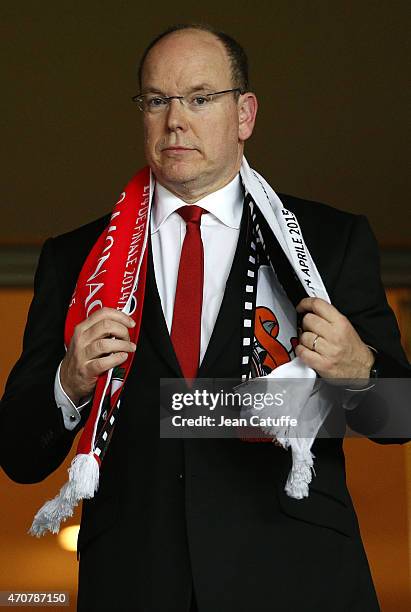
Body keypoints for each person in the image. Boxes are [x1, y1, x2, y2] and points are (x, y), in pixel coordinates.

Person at [1, 24, 410, 612]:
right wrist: (67, 384)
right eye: (157, 100)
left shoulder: (329, 240)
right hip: (134, 583)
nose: (175, 120)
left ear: (244, 114)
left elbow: (401, 417)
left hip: (297, 580)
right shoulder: (75, 260)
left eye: (199, 98)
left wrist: (359, 367)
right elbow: (18, 453)